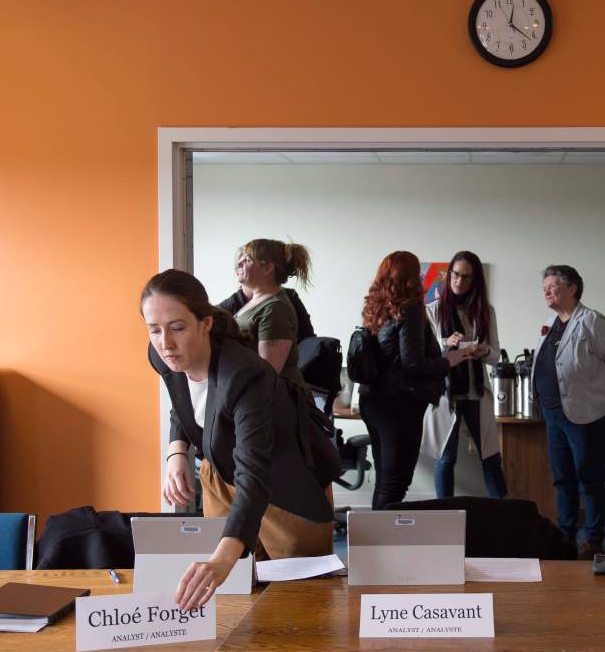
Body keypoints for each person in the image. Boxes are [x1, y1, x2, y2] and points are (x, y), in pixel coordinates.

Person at [142, 269, 337, 610]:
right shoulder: (161, 355)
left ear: (205, 323)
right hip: (222, 474)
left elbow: (255, 471)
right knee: (230, 600)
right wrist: (177, 452)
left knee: (300, 609)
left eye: (177, 328)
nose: (165, 343)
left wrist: (222, 558)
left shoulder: (245, 374)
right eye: (154, 330)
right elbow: (183, 402)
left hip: (285, 486)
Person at [358, 251, 476, 509]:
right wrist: (449, 360)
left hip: (372, 402)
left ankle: (377, 540)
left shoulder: (376, 308)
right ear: (411, 276)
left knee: (385, 479)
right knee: (396, 482)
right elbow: (413, 363)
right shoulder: (409, 309)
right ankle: (380, 543)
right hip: (399, 407)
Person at [532, 264, 605, 557]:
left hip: (588, 416)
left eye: (552, 285)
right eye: (544, 287)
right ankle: (565, 536)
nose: (546, 291)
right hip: (553, 415)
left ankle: (593, 539)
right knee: (562, 478)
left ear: (572, 288)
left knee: (589, 478)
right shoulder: (551, 323)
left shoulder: (592, 321)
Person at [422, 251, 508, 499]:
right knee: (446, 458)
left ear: (475, 281)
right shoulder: (432, 310)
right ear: (448, 275)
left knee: (491, 458)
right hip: (446, 392)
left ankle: (504, 518)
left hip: (476, 391)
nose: (459, 281)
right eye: (456, 275)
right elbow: (425, 358)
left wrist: (484, 350)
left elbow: (495, 356)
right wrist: (445, 343)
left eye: (467, 277)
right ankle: (445, 518)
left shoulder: (484, 311)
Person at [221, 239, 314, 391]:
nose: (239, 263)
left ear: (267, 268)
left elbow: (267, 372)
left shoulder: (276, 308)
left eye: (248, 259)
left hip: (274, 404)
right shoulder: (256, 301)